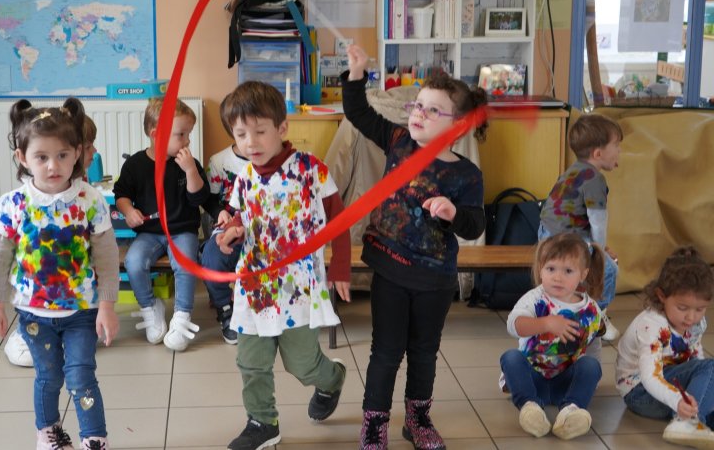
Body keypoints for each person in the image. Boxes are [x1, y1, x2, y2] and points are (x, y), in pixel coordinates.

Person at [342, 45, 487, 450]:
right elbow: (358, 113)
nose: (418, 113)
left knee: (424, 352)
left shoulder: (467, 175)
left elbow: (475, 224)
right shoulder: (398, 140)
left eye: (432, 110)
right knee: (386, 351)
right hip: (390, 268)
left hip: (435, 279)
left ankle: (418, 420)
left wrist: (453, 213)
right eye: (418, 105)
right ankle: (375, 423)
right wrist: (357, 73)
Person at [214, 81, 351, 450]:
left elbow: (339, 221)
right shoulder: (244, 177)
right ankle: (262, 421)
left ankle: (331, 379)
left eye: (260, 131)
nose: (251, 142)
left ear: (282, 128)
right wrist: (230, 233)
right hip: (255, 286)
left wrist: (340, 267)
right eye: (241, 134)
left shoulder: (311, 170)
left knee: (302, 365)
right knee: (251, 362)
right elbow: (240, 219)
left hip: (297, 289)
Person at [0, 98, 119, 450]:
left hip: (82, 311)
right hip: (33, 314)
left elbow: (107, 259)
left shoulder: (91, 200)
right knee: (49, 376)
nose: (53, 165)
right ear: (22, 157)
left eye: (62, 155)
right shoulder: (12, 204)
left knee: (82, 376)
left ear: (77, 153)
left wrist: (107, 307)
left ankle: (94, 438)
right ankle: (48, 434)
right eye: (41, 157)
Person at [3, 113, 100, 368]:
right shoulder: (22, 200)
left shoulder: (87, 194)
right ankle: (21, 336)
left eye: (62, 155)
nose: (94, 152)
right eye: (90, 146)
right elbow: (2, 255)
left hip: (75, 300)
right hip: (37, 302)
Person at [114, 96, 209, 351]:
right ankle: (149, 307)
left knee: (185, 264)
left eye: (188, 134)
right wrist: (129, 211)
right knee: (134, 262)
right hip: (149, 233)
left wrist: (190, 171)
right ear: (156, 135)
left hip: (182, 231)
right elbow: (121, 194)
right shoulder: (135, 165)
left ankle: (182, 317)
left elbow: (199, 197)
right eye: (181, 135)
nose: (187, 141)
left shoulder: (188, 163)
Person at [500, 233, 606, 441]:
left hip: (565, 383)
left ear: (583, 274)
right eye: (551, 269)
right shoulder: (534, 298)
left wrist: (589, 380)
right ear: (541, 269)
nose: (558, 277)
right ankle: (530, 408)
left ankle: (571, 411)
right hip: (532, 378)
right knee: (511, 357)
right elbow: (514, 325)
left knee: (592, 365)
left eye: (568, 271)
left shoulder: (591, 310)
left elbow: (594, 346)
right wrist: (546, 323)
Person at [616, 246, 714, 449]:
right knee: (710, 367)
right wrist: (678, 400)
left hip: (674, 385)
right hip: (640, 392)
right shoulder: (652, 325)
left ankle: (694, 419)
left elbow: (695, 359)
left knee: (708, 375)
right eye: (682, 308)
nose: (691, 317)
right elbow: (650, 377)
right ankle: (687, 422)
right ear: (661, 296)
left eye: (700, 309)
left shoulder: (695, 323)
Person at [538, 113, 623, 341]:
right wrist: (600, 251)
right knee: (608, 269)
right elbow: (598, 221)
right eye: (616, 146)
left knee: (583, 269)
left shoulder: (573, 170)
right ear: (598, 153)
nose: (619, 151)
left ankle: (574, 307)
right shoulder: (595, 179)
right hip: (567, 238)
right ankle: (596, 315)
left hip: (547, 233)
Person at [200, 94, 248, 345]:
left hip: (263, 230)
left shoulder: (273, 163)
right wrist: (220, 213)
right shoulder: (219, 162)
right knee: (211, 259)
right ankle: (225, 308)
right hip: (227, 228)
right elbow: (210, 200)